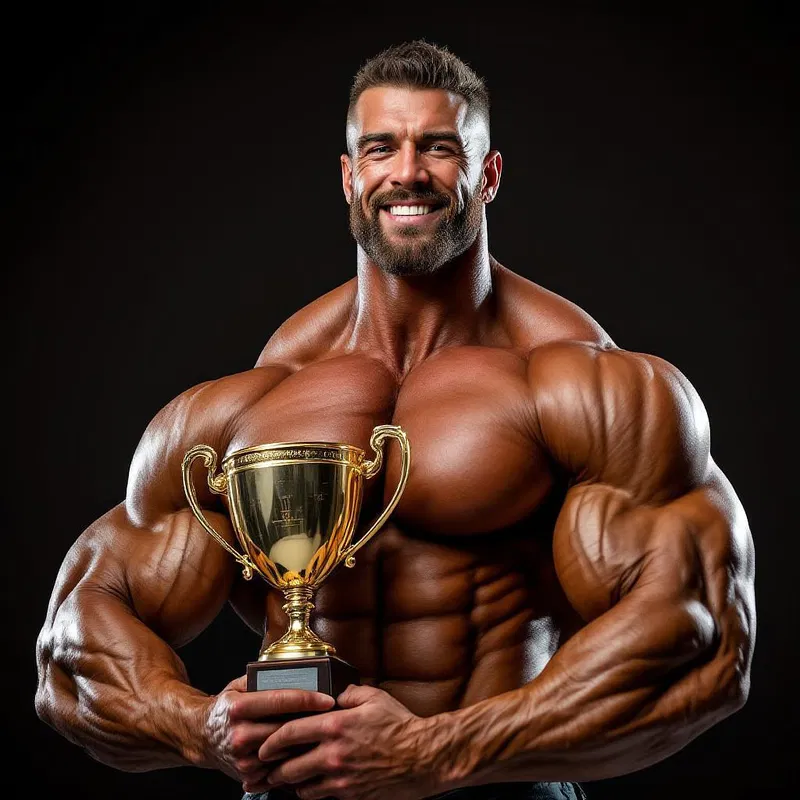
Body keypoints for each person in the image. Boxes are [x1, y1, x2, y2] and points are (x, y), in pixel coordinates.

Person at [35, 40, 755, 800]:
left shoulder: (583, 381)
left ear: (488, 174)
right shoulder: (248, 406)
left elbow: (703, 641)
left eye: (439, 148)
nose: (406, 172)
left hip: (492, 784)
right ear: (351, 176)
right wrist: (199, 728)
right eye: (381, 148)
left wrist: (434, 752)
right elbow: (70, 647)